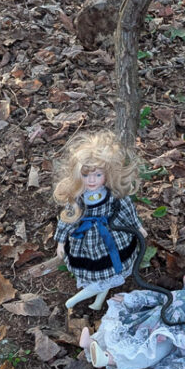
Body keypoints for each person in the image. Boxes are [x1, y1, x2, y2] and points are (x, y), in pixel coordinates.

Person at [79, 266, 185, 369]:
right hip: (149, 322)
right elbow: (152, 296)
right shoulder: (171, 294)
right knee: (125, 335)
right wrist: (129, 299)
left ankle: (107, 358)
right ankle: (92, 343)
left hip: (171, 333)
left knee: (150, 352)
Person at [53, 130, 145, 310]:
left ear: (107, 174)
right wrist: (61, 241)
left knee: (110, 273)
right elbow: (68, 220)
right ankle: (78, 302)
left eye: (97, 175)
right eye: (86, 176)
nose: (92, 180)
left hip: (112, 236)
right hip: (88, 242)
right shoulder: (78, 199)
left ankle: (96, 302)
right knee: (101, 273)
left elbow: (126, 209)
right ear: (78, 175)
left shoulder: (111, 195)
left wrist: (137, 227)